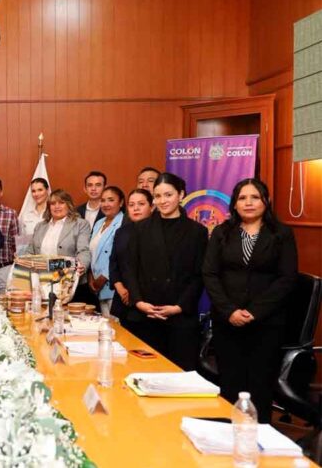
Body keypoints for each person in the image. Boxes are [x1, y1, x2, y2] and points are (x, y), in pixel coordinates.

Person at [203, 178, 298, 422]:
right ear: (234, 204)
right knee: (230, 383)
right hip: (227, 321)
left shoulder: (281, 234)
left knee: (260, 385)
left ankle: (259, 436)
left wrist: (255, 312)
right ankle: (228, 434)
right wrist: (229, 311)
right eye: (242, 198)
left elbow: (287, 278)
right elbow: (210, 274)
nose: (248, 203)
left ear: (266, 201)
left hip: (267, 323)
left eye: (255, 197)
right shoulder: (221, 232)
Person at [123, 172, 208, 370]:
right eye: (158, 196)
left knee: (179, 375)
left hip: (180, 317)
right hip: (146, 314)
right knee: (145, 373)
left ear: (181, 194)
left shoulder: (197, 231)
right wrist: (139, 301)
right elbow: (130, 269)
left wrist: (179, 307)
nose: (162, 201)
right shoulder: (140, 228)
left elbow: (199, 275)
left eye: (168, 195)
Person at [26, 189, 90, 281]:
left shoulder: (80, 224)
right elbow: (30, 251)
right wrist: (22, 261)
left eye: (61, 203)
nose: (57, 206)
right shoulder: (39, 226)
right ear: (49, 207)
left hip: (69, 279)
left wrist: (82, 264)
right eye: (53, 203)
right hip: (41, 279)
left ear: (68, 205)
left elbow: (83, 250)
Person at [109, 188, 153, 319]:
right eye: (131, 205)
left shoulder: (157, 233)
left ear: (152, 207)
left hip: (147, 300)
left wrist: (134, 294)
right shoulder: (122, 232)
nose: (136, 208)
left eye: (141, 204)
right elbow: (114, 262)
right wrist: (120, 288)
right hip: (123, 298)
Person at [88, 186, 125, 316]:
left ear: (121, 202)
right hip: (97, 285)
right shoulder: (99, 223)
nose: (106, 204)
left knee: (115, 324)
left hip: (114, 285)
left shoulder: (124, 223)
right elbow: (92, 252)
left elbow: (119, 256)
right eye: (103, 200)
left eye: (111, 200)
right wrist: (91, 276)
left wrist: (103, 277)